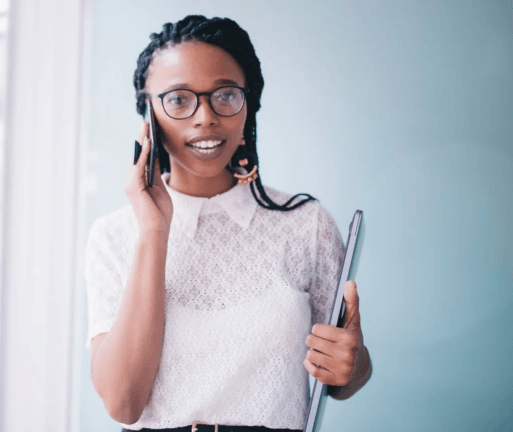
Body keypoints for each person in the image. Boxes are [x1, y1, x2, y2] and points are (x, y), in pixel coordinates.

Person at [85, 15, 372, 432]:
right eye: (179, 100)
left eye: (225, 95)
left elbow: (345, 378)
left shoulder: (305, 225)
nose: (205, 117)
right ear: (148, 117)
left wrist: (353, 361)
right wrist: (153, 232)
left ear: (248, 105)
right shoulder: (114, 235)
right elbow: (123, 402)